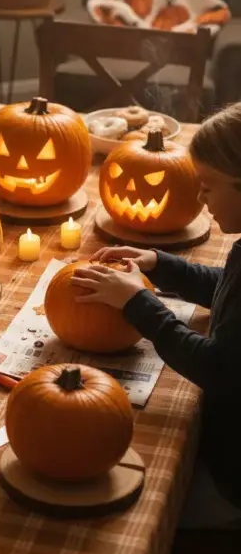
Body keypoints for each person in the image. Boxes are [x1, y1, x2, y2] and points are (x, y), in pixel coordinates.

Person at [71, 103, 241, 527]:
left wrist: (137, 305)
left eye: (208, 187)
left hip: (231, 483)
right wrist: (161, 264)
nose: (199, 198)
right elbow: (227, 284)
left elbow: (217, 368)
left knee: (119, 506)